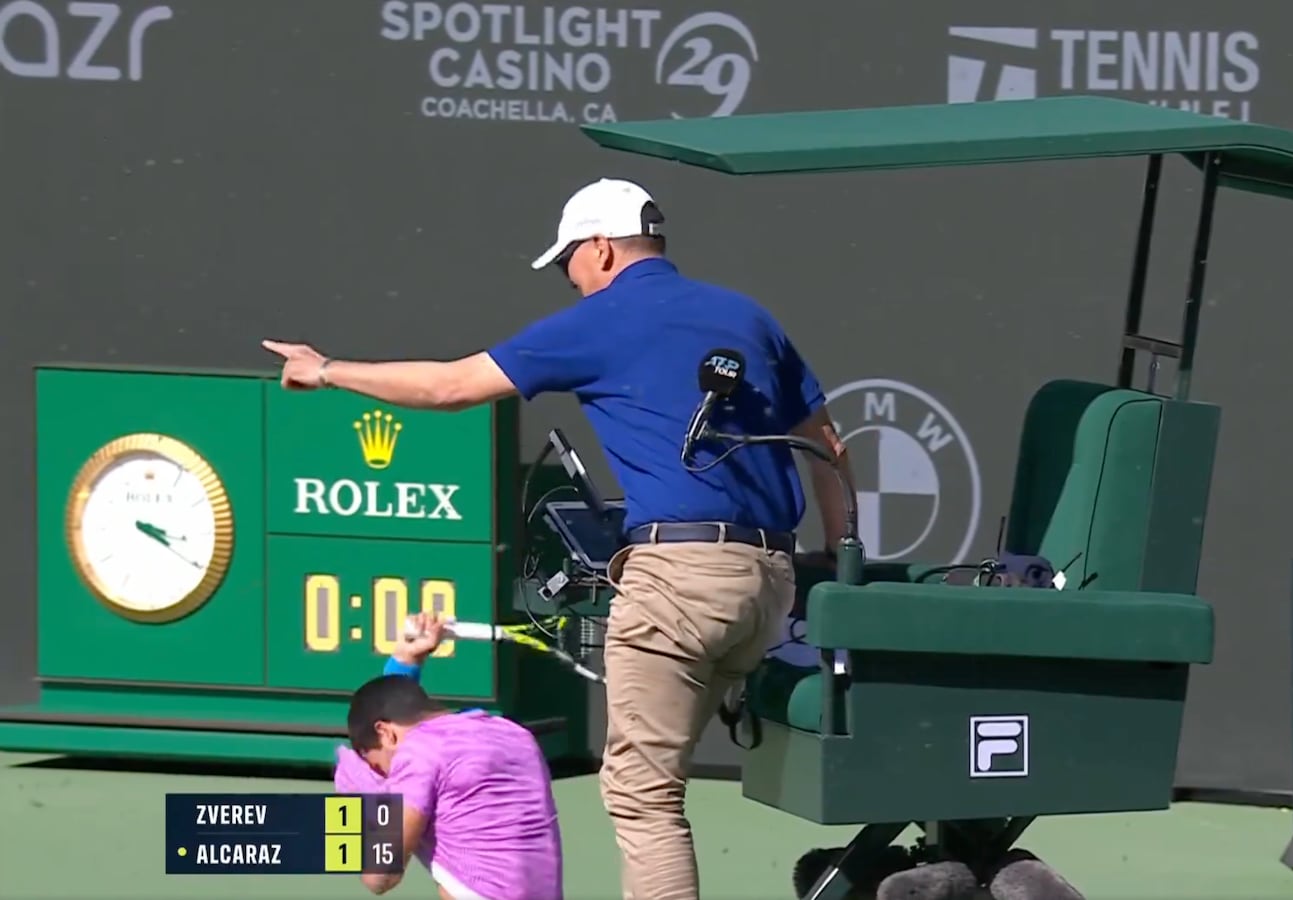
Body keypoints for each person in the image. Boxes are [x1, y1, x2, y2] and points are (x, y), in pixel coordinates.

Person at [263, 177, 855, 900]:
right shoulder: (748, 316)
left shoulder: (603, 318)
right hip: (769, 583)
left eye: (569, 260)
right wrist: (836, 559)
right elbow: (828, 445)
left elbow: (451, 387)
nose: (571, 278)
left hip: (680, 584)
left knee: (643, 797)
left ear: (601, 249)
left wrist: (324, 370)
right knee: (668, 764)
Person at [337, 612, 563, 899]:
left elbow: (378, 878)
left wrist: (356, 806)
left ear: (386, 734)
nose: (388, 776)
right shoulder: (515, 736)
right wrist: (406, 657)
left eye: (380, 767)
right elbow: (396, 703)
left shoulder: (421, 752)